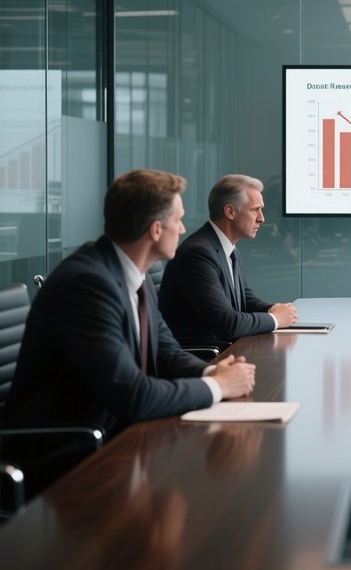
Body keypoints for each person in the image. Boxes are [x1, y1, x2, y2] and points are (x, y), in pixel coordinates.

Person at [1, 169, 256, 489]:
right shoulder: (86, 285)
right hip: (67, 454)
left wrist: (210, 374)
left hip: (114, 435)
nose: (183, 228)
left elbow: (166, 352)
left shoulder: (134, 274)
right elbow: (133, 395)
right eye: (178, 220)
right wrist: (219, 388)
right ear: (155, 229)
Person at [159, 174, 298, 347]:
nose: (262, 218)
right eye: (255, 209)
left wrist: (274, 309)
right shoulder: (197, 254)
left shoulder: (228, 249)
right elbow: (227, 323)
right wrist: (275, 319)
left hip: (227, 350)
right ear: (230, 212)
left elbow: (245, 301)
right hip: (206, 357)